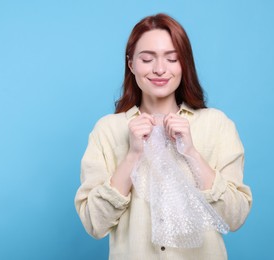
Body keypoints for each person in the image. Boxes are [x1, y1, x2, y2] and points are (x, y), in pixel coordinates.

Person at [75, 13, 252, 259]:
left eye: (172, 58)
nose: (160, 69)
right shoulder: (107, 131)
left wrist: (191, 153)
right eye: (147, 59)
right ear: (131, 64)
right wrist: (133, 155)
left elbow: (236, 216)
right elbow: (94, 223)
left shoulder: (216, 125)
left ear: (184, 64)